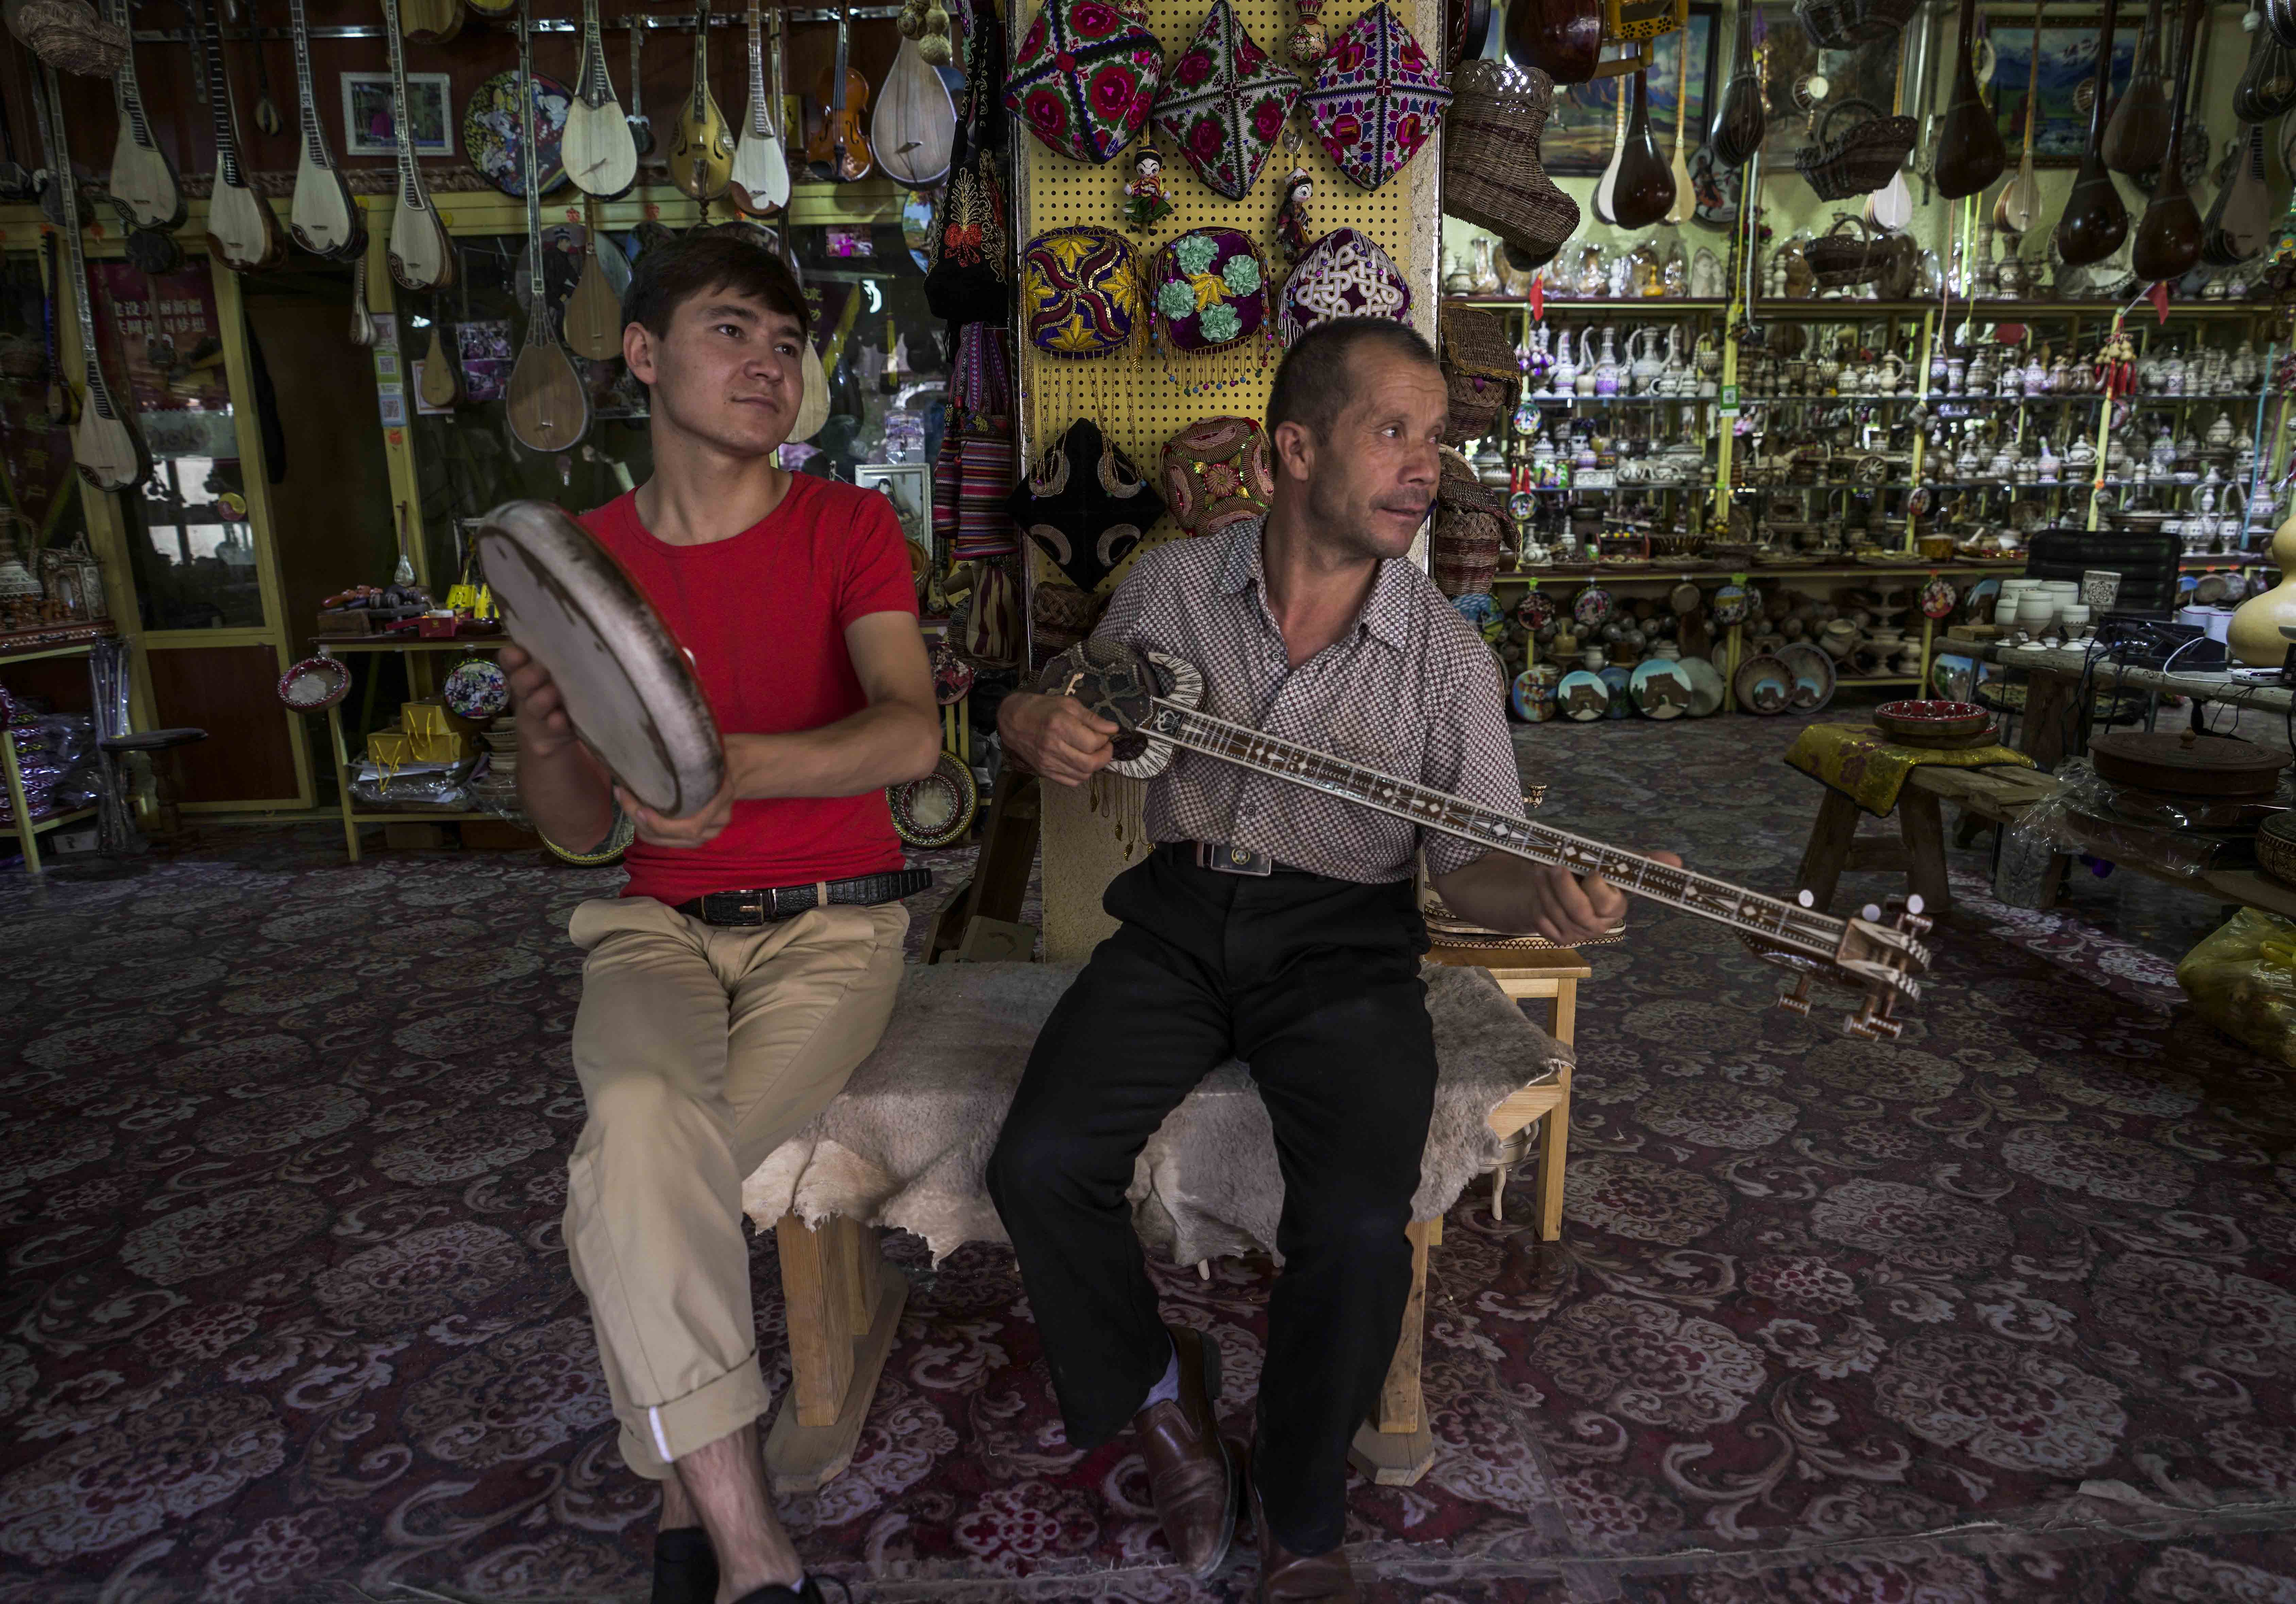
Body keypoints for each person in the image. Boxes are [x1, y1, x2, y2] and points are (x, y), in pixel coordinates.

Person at [987, 317, 1680, 1602]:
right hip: (1179, 920)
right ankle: (1161, 1390)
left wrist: (1543, 895)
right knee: (1038, 1161)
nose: (1428, 467)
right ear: (1293, 450)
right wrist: (1039, 717)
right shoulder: (1170, 587)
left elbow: (1468, 867)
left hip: (1346, 944)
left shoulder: (1448, 659)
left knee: (1361, 1223)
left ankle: (1301, 1509)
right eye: (1393, 431)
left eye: (1439, 438)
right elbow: (1082, 703)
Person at [504, 233, 941, 1604]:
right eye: (731, 331)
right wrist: (544, 736)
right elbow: (577, 827)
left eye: (786, 342)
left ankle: (688, 1511)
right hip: (655, 929)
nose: (768, 363)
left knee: (628, 1179)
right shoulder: (585, 563)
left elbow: (909, 735)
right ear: (642, 355)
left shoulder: (848, 527)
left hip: (832, 927)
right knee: (640, 1125)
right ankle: (754, 1549)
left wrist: (725, 762)